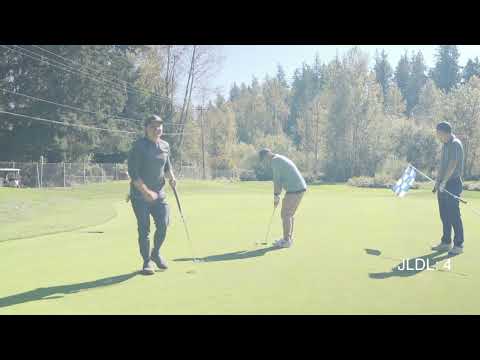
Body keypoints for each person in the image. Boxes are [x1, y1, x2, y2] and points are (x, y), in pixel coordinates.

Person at [128, 115, 177, 275]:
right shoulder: (138, 147)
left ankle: (155, 253)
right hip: (140, 197)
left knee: (163, 224)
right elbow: (134, 175)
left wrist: (172, 177)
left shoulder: (165, 145)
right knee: (144, 229)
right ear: (146, 128)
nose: (157, 129)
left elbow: (167, 166)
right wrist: (145, 191)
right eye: (153, 126)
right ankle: (146, 261)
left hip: (159, 195)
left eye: (160, 126)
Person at [258, 148, 307, 248]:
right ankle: (288, 238)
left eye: (263, 160)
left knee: (285, 214)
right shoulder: (278, 158)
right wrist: (277, 195)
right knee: (289, 214)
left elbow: (277, 181)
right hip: (297, 188)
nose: (265, 163)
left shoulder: (275, 161)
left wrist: (276, 196)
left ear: (267, 155)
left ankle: (286, 240)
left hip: (295, 188)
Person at [431, 121, 464, 255]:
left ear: (446, 132)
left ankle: (459, 245)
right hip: (443, 184)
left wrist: (444, 181)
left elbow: (453, 164)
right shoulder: (445, 145)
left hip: (453, 183)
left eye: (439, 134)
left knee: (454, 215)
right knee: (444, 215)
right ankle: (446, 242)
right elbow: (442, 166)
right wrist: (437, 182)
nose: (438, 136)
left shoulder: (455, 144)